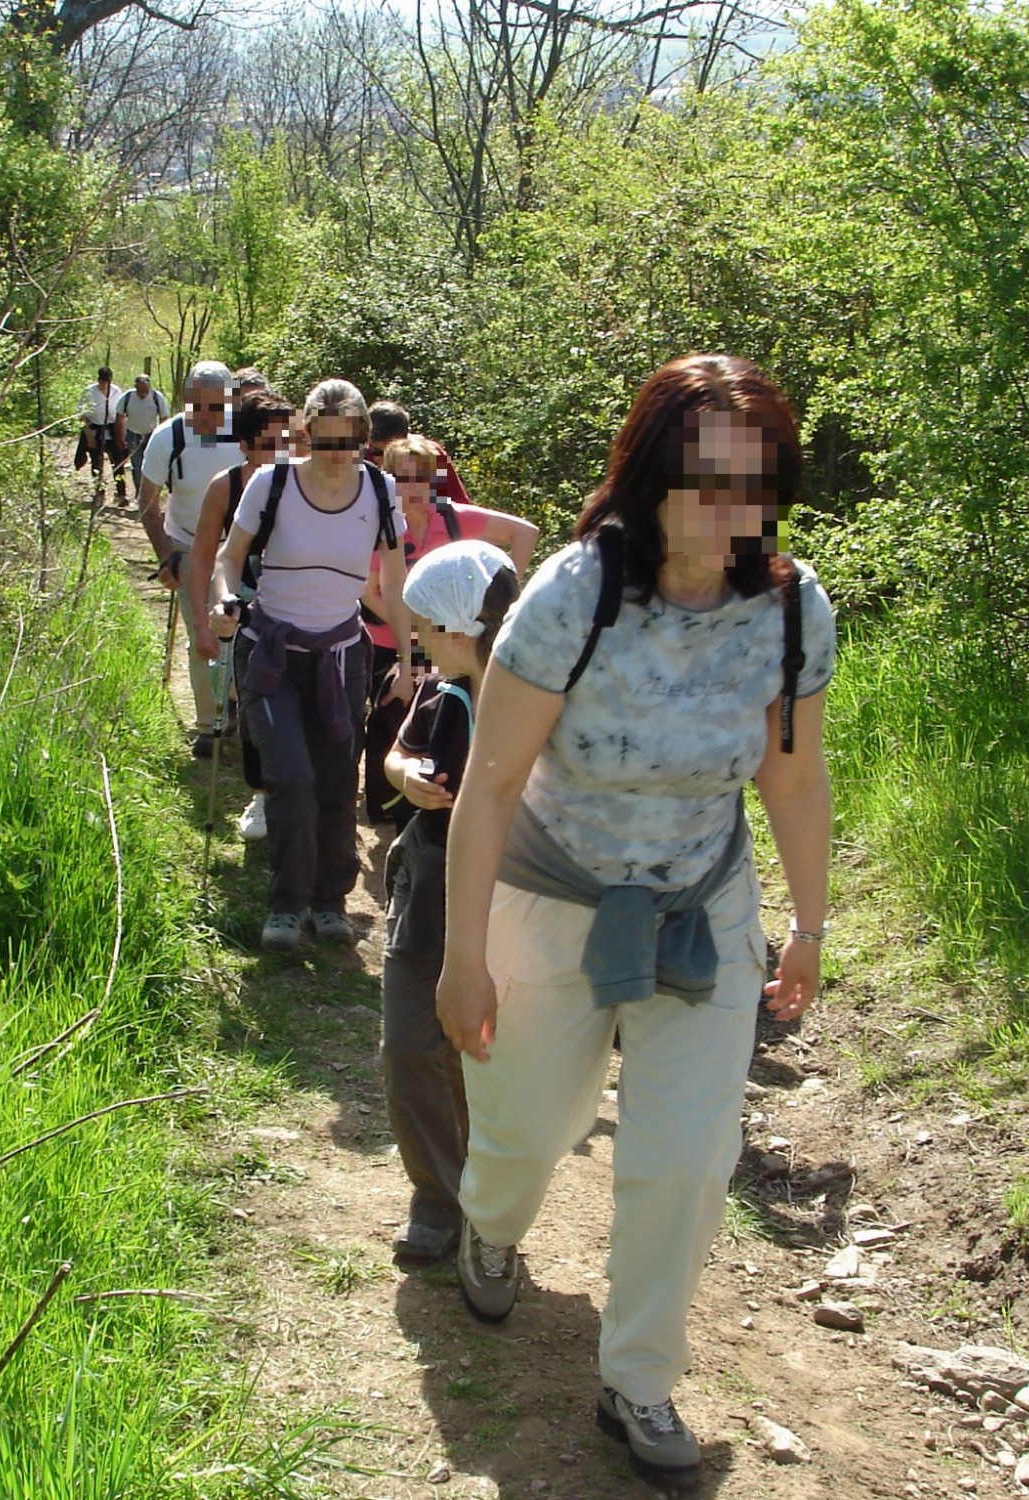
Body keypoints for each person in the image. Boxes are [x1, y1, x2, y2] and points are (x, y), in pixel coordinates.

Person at [435, 354, 836, 1490]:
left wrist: (808, 928)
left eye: (754, 483)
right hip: (552, 892)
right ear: (651, 476)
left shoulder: (790, 607)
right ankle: (489, 1224)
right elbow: (491, 787)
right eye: (706, 480)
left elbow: (794, 779)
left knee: (687, 1160)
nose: (729, 508)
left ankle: (639, 1378)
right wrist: (462, 958)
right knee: (533, 1128)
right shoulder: (575, 595)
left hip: (702, 903)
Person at [211, 379, 416, 952]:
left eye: (347, 443)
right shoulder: (272, 484)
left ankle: (329, 903)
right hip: (271, 653)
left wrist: (408, 661)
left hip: (342, 658)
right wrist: (223, 600)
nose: (335, 456)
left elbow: (395, 581)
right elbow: (229, 557)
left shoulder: (379, 490)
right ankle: (286, 906)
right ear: (306, 435)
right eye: (324, 443)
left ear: (363, 439)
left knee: (335, 782)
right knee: (291, 778)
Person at [378, 540, 520, 1262]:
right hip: (428, 880)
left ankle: (488, 1200)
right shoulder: (440, 693)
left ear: (461, 627)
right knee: (409, 1044)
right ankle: (437, 1196)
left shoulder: (534, 703)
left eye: (429, 627)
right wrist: (405, 778)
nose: (421, 642)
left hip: (510, 891)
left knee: (484, 1051)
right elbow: (397, 754)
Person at [361, 434, 539, 827]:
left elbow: (526, 532)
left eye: (420, 477)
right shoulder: (380, 524)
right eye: (402, 478)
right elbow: (370, 590)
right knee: (391, 717)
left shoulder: (453, 517)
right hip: (391, 640)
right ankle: (392, 809)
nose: (411, 487)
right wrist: (417, 630)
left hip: (455, 640)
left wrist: (498, 601)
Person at [186, 387, 294, 841]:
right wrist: (203, 622)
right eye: (270, 443)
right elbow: (203, 557)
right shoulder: (226, 487)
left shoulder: (307, 485)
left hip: (299, 608)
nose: (281, 452)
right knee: (253, 705)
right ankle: (263, 794)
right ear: (245, 445)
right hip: (247, 609)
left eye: (288, 440)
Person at [139, 360, 244, 756]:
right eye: (198, 405)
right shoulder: (168, 437)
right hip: (186, 544)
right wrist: (166, 558)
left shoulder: (247, 433)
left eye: (216, 406)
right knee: (204, 634)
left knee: (242, 633)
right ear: (187, 399)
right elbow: (147, 503)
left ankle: (234, 706)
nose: (206, 415)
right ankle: (208, 726)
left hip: (238, 547)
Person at [77, 366, 125, 503]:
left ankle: (121, 494)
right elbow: (82, 416)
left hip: (112, 430)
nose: (105, 385)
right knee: (96, 463)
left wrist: (121, 434)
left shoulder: (116, 392)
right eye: (102, 382)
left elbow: (121, 414)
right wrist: (89, 436)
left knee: (118, 462)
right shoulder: (89, 392)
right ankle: (99, 492)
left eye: (107, 382)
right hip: (95, 431)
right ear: (98, 380)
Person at [115, 371, 169, 489]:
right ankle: (139, 492)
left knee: (153, 465)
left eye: (146, 390)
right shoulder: (127, 397)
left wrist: (163, 438)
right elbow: (119, 417)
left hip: (152, 436)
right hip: (133, 435)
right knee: (137, 466)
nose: (144, 393)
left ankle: (153, 492)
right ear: (136, 387)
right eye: (141, 390)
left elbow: (164, 418)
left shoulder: (157, 397)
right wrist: (120, 437)